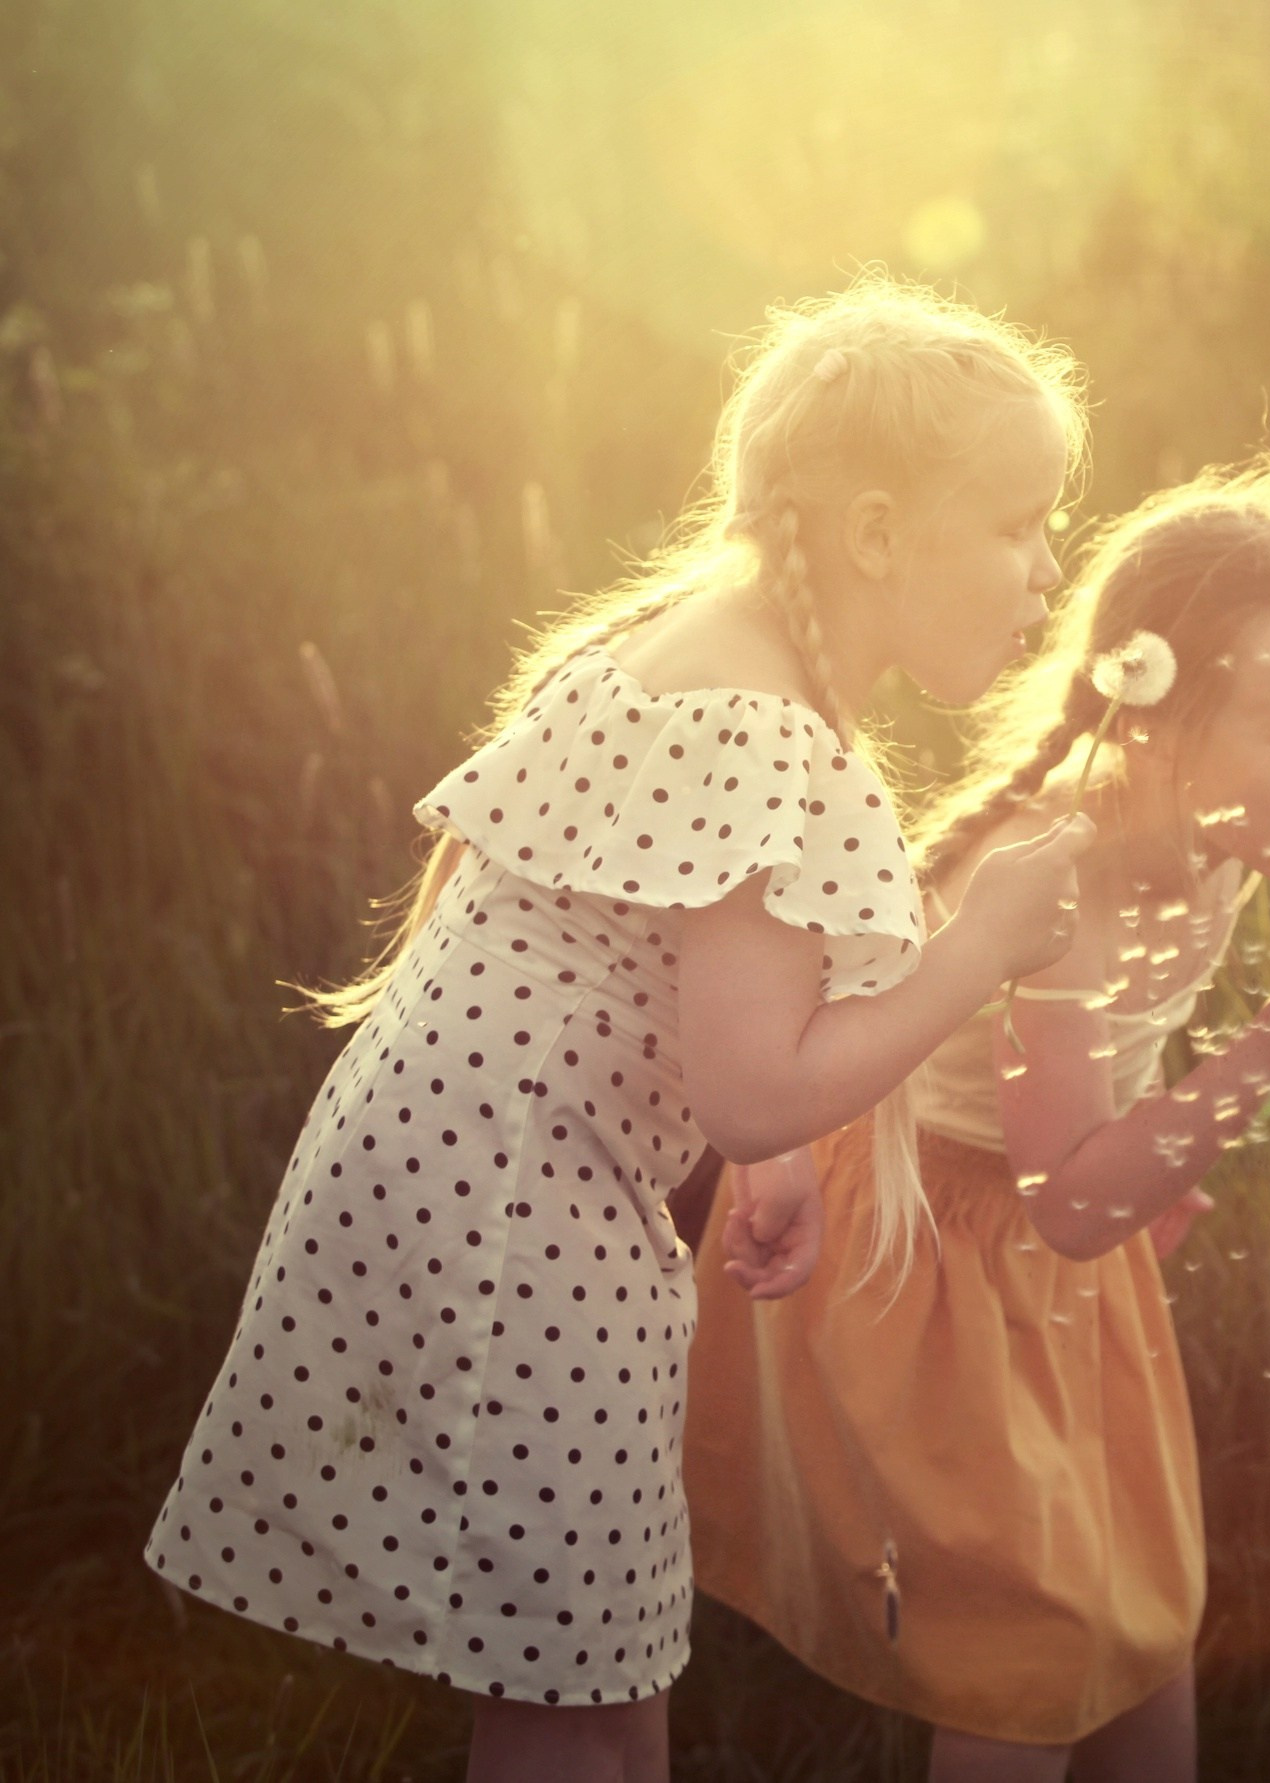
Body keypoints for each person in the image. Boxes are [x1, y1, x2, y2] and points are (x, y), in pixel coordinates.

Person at [145, 277, 1095, 1783]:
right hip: (517, 1211)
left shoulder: (702, 646)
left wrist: (770, 1150)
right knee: (575, 1696)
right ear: (871, 533)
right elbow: (749, 1087)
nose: (1051, 567)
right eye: (1018, 522)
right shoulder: (762, 726)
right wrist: (981, 945)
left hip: (452, 1165)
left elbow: (709, 1009)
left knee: (590, 1659)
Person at [684, 454, 1270, 1783]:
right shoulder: (1068, 880)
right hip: (925, 1257)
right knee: (1033, 1644)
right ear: (1158, 721)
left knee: (1138, 1606)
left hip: (1041, 1253)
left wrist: (1164, 1143)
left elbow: (1093, 1145)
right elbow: (1074, 1198)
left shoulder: (1211, 831)